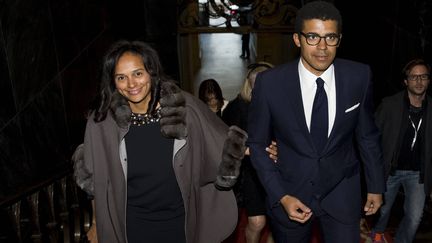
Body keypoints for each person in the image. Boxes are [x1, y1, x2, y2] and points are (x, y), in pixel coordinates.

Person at [73, 40, 249, 243]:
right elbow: (95, 180)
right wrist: (96, 223)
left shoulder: (182, 108)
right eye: (121, 77)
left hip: (179, 222)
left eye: (138, 73)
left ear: (151, 72)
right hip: (132, 225)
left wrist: (256, 149)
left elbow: (220, 140)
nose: (131, 84)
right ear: (113, 82)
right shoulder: (103, 122)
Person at [247, 2, 385, 242]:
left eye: (330, 37)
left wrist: (375, 184)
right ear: (297, 39)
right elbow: (257, 145)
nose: (322, 47)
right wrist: (281, 195)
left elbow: (367, 136)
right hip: (291, 194)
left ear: (339, 39)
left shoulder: (359, 77)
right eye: (313, 37)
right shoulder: (270, 84)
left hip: (342, 195)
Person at [370, 58, 432, 243]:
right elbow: (371, 138)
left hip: (418, 175)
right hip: (389, 171)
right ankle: (377, 233)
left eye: (423, 77)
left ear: (429, 80)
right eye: (414, 77)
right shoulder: (389, 105)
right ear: (406, 81)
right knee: (382, 211)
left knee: (414, 218)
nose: (419, 81)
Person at [223, 62, 275, 243]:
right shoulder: (237, 107)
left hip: (278, 170)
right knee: (258, 222)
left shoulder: (284, 104)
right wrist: (248, 151)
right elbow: (225, 141)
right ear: (249, 85)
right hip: (251, 173)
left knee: (279, 222)